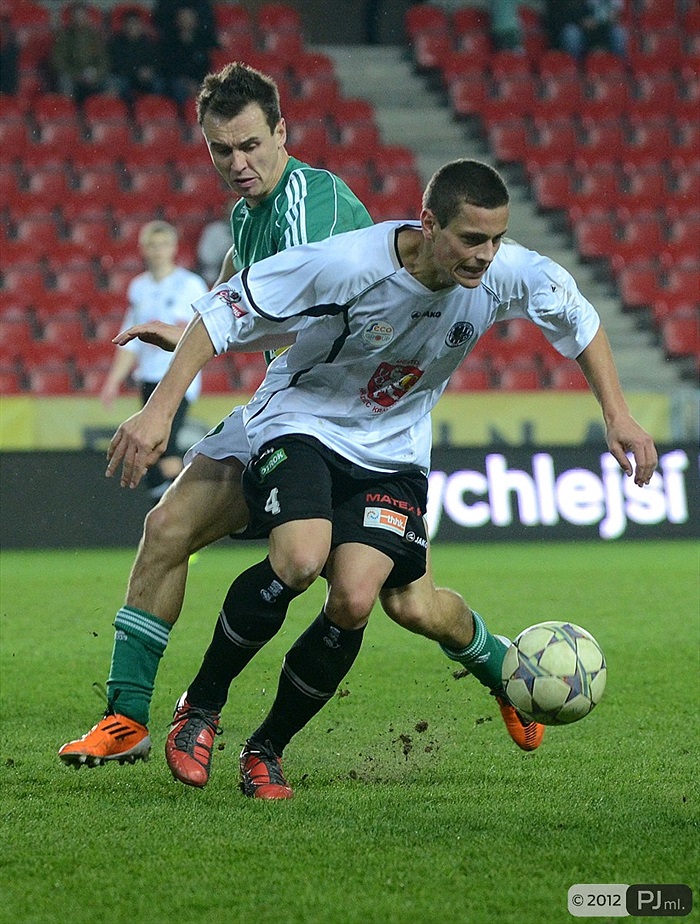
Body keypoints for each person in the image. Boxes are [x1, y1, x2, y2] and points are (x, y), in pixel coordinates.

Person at [101, 159, 657, 799]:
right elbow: (226, 310)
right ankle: (198, 710)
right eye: (471, 239)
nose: (487, 255)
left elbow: (580, 320)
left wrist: (617, 415)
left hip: (392, 453)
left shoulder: (505, 274)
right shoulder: (349, 264)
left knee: (363, 600)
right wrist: (159, 410)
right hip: (304, 422)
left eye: (497, 238)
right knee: (300, 558)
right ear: (428, 224)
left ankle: (266, 749)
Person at [58, 63, 539, 782]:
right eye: (221, 151)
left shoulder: (308, 204)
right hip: (300, 410)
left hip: (361, 423)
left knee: (411, 603)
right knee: (169, 528)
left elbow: (294, 304)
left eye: (252, 145)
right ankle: (128, 717)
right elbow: (242, 276)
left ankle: (502, 667)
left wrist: (179, 379)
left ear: (282, 132)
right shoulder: (251, 210)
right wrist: (196, 321)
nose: (238, 164)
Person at [99, 221, 208, 503]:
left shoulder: (190, 285)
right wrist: (113, 381)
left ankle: (187, 513)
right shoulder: (139, 287)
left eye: (163, 244)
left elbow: (203, 332)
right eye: (152, 244)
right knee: (153, 451)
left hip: (179, 377)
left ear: (173, 248)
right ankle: (174, 513)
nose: (158, 250)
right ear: (143, 248)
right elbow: (130, 339)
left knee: (165, 449)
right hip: (148, 378)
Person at [50, 1, 110, 104]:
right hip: (72, 76)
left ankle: (101, 114)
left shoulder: (95, 36)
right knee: (64, 81)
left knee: (110, 84)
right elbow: (57, 61)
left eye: (82, 16)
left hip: (92, 77)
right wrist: (76, 74)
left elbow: (103, 61)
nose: (79, 19)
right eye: (76, 16)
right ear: (71, 18)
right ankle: (68, 112)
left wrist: (95, 73)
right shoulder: (64, 36)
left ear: (87, 17)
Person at [159, 6, 214, 104]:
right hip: (177, 82)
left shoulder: (201, 42)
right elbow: (168, 67)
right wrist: (186, 82)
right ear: (177, 21)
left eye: (189, 18)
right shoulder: (169, 42)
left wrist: (197, 83)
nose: (186, 22)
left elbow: (205, 66)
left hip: (199, 81)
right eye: (183, 19)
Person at [108, 9, 164, 103]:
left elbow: (156, 63)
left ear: (141, 26)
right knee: (115, 84)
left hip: (144, 79)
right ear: (123, 26)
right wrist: (136, 71)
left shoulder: (149, 43)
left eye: (135, 24)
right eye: (129, 24)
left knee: (158, 84)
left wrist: (149, 71)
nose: (132, 27)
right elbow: (115, 65)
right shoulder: (115, 43)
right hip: (124, 76)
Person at [544, 0, 628, 60]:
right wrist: (581, 22)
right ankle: (574, 69)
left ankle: (619, 68)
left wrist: (597, 22)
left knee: (619, 33)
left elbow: (609, 16)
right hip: (573, 32)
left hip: (597, 33)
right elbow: (557, 19)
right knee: (571, 33)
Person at [196, 200, 235, 286]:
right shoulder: (213, 229)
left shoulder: (247, 229)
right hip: (214, 275)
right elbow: (205, 257)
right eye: (229, 210)